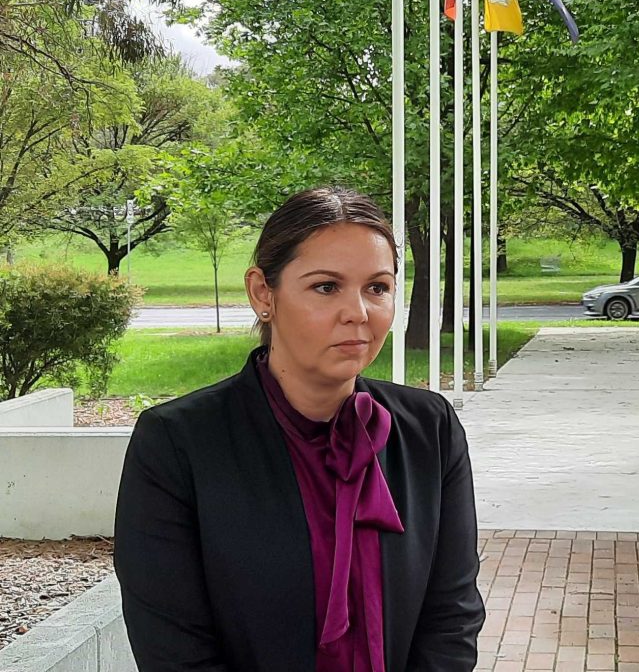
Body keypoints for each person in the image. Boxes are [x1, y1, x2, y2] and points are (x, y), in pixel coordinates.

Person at [113, 187, 484, 672]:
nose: (359, 312)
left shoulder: (429, 430)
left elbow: (452, 618)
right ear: (262, 293)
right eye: (326, 286)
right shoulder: (177, 443)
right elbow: (174, 649)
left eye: (378, 287)